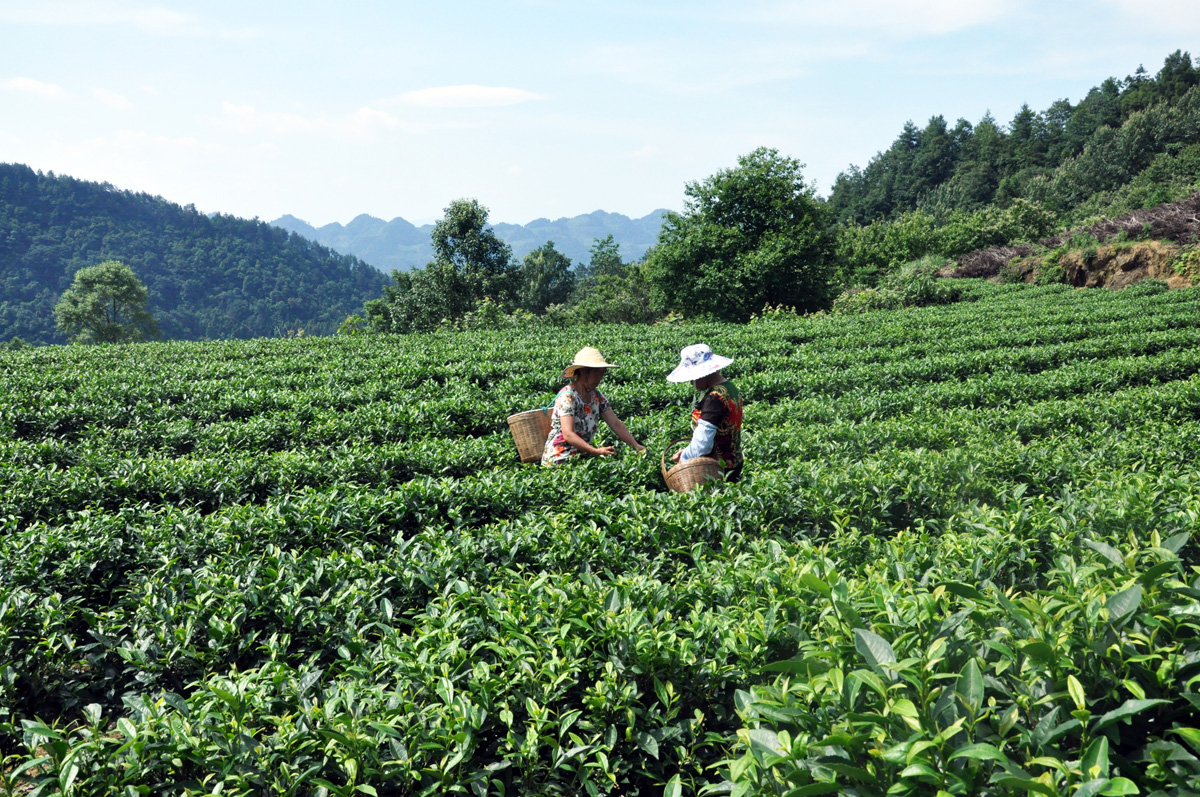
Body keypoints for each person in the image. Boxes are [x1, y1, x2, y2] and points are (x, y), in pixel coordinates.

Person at [541, 347, 647, 465]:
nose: (599, 378)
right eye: (596, 373)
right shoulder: (567, 396)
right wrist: (595, 451)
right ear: (582, 371)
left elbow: (616, 424)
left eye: (601, 373)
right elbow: (568, 434)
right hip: (559, 457)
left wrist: (635, 445)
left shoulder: (597, 396)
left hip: (582, 456)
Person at [667, 343, 743, 481]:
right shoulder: (730, 387)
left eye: (692, 378)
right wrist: (688, 450)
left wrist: (684, 458)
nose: (691, 382)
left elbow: (703, 444)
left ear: (701, 374)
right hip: (735, 463)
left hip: (718, 468)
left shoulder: (714, 398)